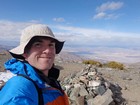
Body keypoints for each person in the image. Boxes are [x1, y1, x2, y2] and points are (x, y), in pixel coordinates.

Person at [0, 24, 69, 105]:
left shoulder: (47, 81)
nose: (47, 50)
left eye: (51, 45)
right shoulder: (19, 87)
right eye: (38, 44)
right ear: (25, 52)